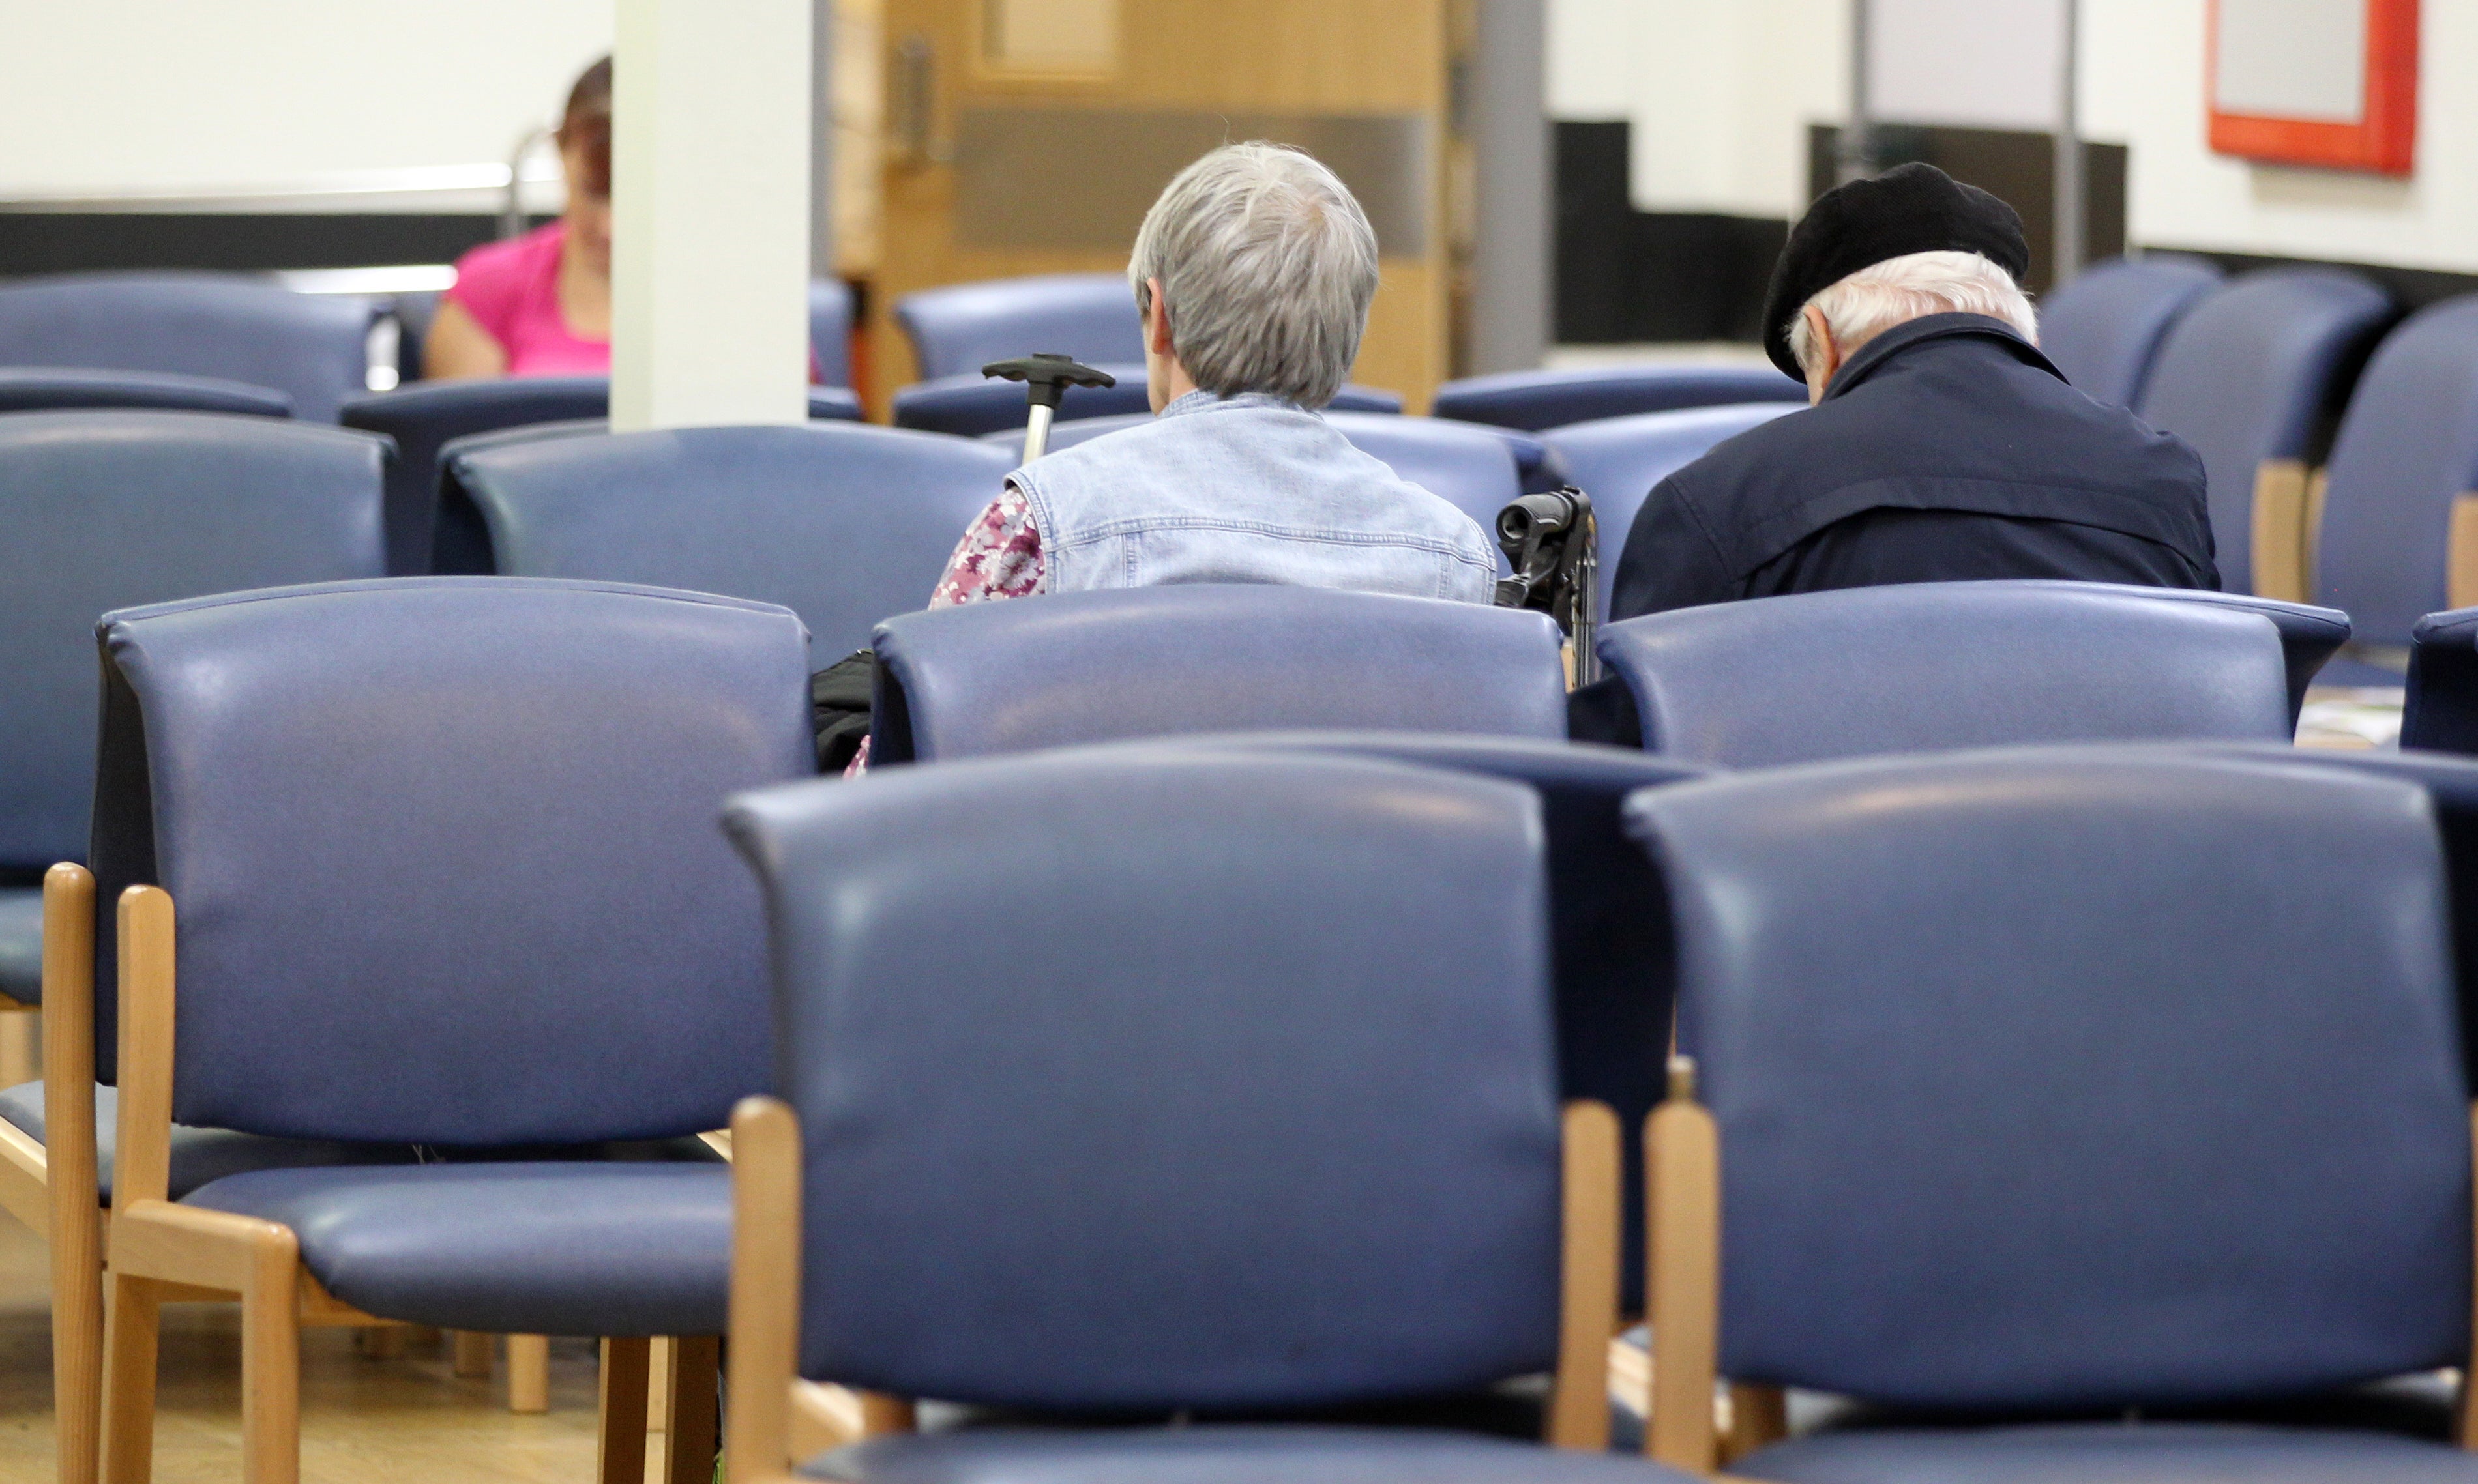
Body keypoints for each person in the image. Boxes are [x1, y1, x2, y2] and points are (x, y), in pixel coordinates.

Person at [829, 141, 1499, 773]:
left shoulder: (1042, 526)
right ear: (1349, 331)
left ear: (1161, 316)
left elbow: (893, 785)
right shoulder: (1454, 559)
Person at [1606, 162, 2217, 622]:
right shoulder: (2160, 479)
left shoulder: (1717, 502)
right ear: (2017, 323)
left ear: (1822, 336)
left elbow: (1640, 757)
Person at [424, 59, 613, 378]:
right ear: (560, 150)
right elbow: (456, 424)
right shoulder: (490, 287)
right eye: (593, 193)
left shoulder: (712, 296)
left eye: (635, 203)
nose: (611, 228)